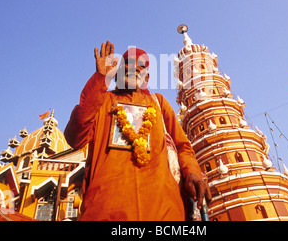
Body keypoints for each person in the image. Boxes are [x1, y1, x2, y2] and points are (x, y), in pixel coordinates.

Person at [64, 40, 211, 221]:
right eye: (127, 64)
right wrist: (100, 79)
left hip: (163, 211)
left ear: (146, 78)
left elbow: (183, 147)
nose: (133, 68)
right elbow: (74, 137)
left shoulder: (159, 103)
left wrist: (193, 173)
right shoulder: (102, 101)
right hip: (105, 209)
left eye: (140, 66)